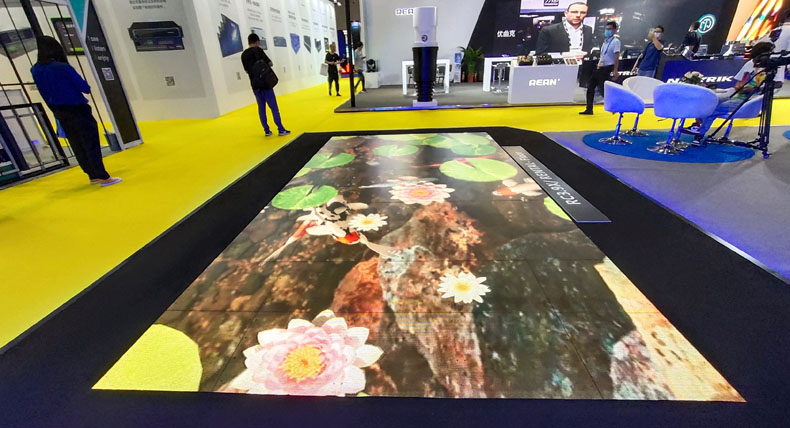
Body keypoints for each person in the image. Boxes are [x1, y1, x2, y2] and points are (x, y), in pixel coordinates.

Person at [30, 36, 121, 187]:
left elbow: (43, 92)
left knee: (77, 144)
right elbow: (84, 88)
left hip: (59, 111)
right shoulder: (63, 68)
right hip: (77, 109)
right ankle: (103, 176)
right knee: (90, 142)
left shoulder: (35, 70)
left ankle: (92, 175)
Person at [694, 42, 774, 142]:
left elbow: (773, 86)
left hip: (748, 100)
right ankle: (697, 124)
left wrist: (754, 89)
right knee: (708, 100)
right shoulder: (750, 64)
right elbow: (738, 84)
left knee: (713, 110)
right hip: (735, 93)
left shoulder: (770, 67)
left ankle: (699, 134)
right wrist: (740, 87)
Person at [241, 33, 290, 137]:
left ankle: (266, 130)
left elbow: (246, 70)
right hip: (265, 83)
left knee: (261, 108)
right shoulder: (258, 50)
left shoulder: (244, 55)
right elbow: (270, 63)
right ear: (257, 42)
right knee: (274, 108)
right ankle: (280, 129)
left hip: (255, 85)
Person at [580, 21, 620, 115]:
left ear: (614, 30)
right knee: (590, 87)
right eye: (606, 29)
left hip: (607, 67)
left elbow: (616, 56)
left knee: (603, 89)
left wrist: (615, 70)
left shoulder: (616, 42)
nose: (607, 31)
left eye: (609, 29)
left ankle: (614, 106)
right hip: (599, 67)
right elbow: (603, 55)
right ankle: (589, 109)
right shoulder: (605, 42)